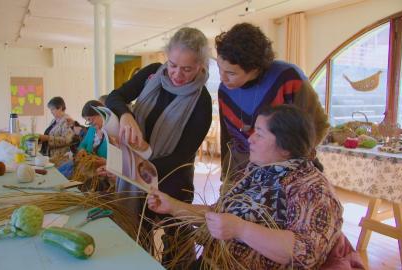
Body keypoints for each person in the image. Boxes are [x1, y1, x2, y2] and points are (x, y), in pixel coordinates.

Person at [148, 105, 346, 269]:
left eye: (259, 134)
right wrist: (172, 206)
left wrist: (241, 229)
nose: (250, 138)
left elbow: (305, 253)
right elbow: (218, 215)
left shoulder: (313, 189)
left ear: (286, 147)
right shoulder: (257, 171)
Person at [106, 27, 212, 263]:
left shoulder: (201, 101)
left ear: (201, 66)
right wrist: (126, 115)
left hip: (172, 179)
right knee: (136, 235)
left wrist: (139, 166)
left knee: (175, 245)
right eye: (173, 64)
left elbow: (183, 155)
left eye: (187, 69)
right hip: (137, 173)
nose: (177, 74)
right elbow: (115, 97)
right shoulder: (153, 74)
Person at [215, 23, 329, 182]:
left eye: (231, 73)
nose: (222, 77)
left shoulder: (288, 78)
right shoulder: (225, 90)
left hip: (283, 175)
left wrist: (284, 162)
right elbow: (227, 138)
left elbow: (317, 126)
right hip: (240, 173)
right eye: (219, 68)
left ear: (254, 68)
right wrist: (225, 175)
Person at [58, 100, 108, 179]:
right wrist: (81, 150)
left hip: (101, 172)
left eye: (91, 119)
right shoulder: (92, 129)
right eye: (88, 121)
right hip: (87, 167)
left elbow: (118, 162)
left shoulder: (112, 132)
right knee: (61, 173)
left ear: (100, 113)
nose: (91, 123)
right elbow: (83, 144)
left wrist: (105, 162)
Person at [38, 96, 74, 166]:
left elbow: (67, 140)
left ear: (60, 108)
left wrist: (47, 138)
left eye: (52, 109)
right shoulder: (54, 120)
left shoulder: (67, 121)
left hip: (59, 158)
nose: (51, 112)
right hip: (51, 155)